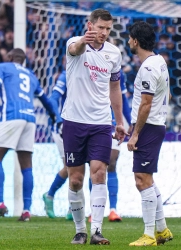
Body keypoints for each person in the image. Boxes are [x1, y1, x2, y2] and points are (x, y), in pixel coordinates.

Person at [61, 9, 128, 245]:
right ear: (91, 25)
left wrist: (119, 121)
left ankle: (96, 230)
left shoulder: (113, 53)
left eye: (108, 29)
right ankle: (80, 230)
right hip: (74, 122)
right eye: (100, 28)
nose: (104, 33)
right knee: (76, 180)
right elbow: (74, 50)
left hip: (101, 123)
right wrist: (82, 41)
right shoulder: (75, 44)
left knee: (100, 172)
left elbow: (114, 89)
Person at [0, 48, 56, 222]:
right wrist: (53, 115)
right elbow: (45, 100)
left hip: (12, 116)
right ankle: (26, 210)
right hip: (30, 119)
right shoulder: (31, 75)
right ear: (23, 60)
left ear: (10, 57)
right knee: (26, 165)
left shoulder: (3, 67)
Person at [126, 21, 173, 246]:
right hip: (154, 124)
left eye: (129, 38)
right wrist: (133, 126)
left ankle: (149, 235)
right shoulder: (160, 62)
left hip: (149, 127)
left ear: (135, 41)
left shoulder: (147, 67)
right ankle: (162, 230)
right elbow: (168, 96)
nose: (128, 42)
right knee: (148, 180)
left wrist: (136, 134)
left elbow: (146, 103)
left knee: (141, 179)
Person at [88, 70, 132, 223]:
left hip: (113, 123)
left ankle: (113, 209)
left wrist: (130, 122)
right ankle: (94, 209)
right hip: (93, 121)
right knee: (94, 166)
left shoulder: (118, 71)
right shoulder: (90, 65)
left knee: (111, 163)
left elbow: (123, 99)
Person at [42, 70, 73, 220]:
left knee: (74, 166)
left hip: (83, 124)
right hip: (63, 127)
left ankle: (50, 196)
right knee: (72, 165)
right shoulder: (66, 75)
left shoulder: (93, 71)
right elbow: (53, 99)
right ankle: (72, 206)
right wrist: (59, 120)